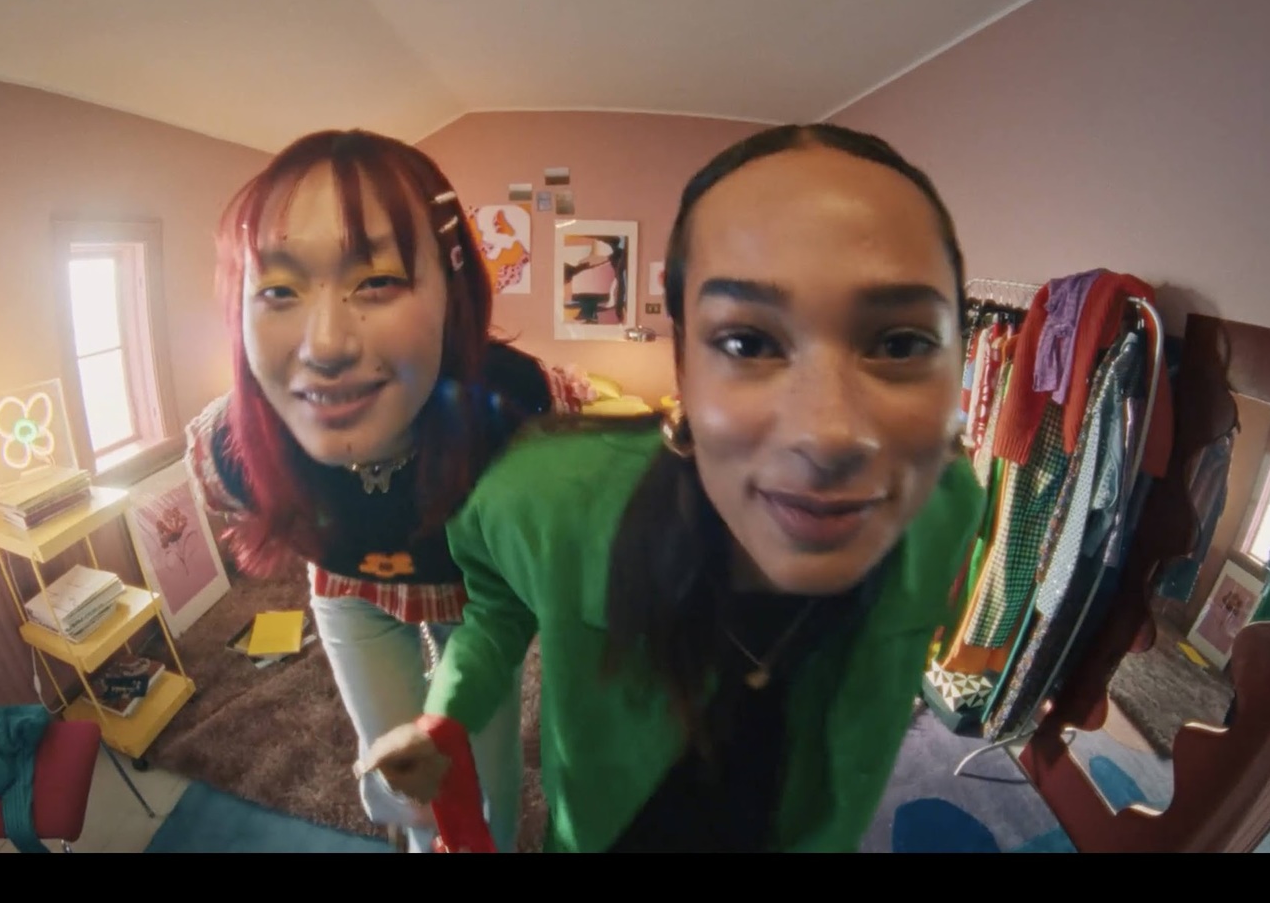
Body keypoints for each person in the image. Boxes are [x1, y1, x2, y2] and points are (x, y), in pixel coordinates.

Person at [357, 122, 987, 852]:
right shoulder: (545, 500)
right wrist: (446, 716)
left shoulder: (948, 507)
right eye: (749, 342)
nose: (828, 434)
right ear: (683, 363)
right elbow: (495, 609)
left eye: (900, 343)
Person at [184, 128, 591, 852]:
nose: (326, 345)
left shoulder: (519, 411)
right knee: (401, 778)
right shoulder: (236, 449)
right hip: (352, 591)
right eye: (278, 289)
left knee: (484, 784)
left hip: (478, 601)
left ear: (452, 289)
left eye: (375, 281)